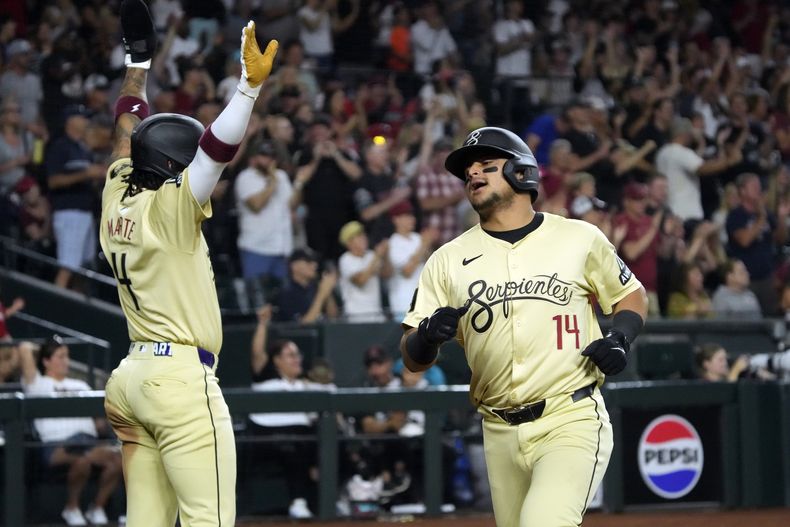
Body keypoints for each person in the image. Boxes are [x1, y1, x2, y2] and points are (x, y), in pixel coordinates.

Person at [400, 126, 648, 527]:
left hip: (569, 416)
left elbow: (630, 294)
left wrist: (620, 337)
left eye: (486, 165)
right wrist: (426, 337)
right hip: (498, 429)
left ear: (521, 172)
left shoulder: (578, 237)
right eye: (468, 171)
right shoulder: (447, 259)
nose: (473, 174)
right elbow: (412, 359)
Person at [99, 2, 279, 526]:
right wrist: (248, 88)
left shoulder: (116, 192)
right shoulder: (171, 209)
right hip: (178, 381)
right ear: (173, 168)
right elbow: (217, 150)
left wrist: (138, 64)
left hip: (132, 379)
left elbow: (125, 123)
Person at [19, 337, 122, 526]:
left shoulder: (81, 385)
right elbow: (24, 348)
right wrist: (43, 348)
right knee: (82, 460)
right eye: (60, 356)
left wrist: (103, 422)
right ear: (46, 361)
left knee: (118, 459)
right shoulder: (37, 384)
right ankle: (72, 508)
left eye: (67, 356)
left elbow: (99, 423)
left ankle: (97, 507)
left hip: (89, 443)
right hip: (56, 446)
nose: (66, 361)